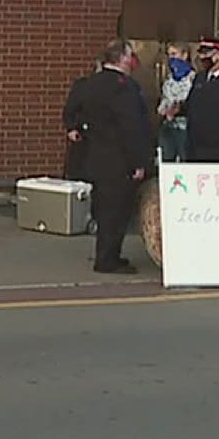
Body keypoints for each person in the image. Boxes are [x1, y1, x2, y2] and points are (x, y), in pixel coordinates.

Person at [67, 39, 155, 274]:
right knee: (116, 212)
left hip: (97, 155)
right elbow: (131, 127)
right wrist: (139, 161)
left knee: (105, 208)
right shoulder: (123, 87)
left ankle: (108, 254)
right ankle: (107, 259)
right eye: (130, 56)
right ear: (122, 59)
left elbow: (77, 113)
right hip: (119, 160)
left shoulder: (90, 84)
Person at [156, 43, 197, 162]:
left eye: (174, 54)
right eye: (169, 55)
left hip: (185, 128)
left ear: (184, 55)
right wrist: (162, 109)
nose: (171, 59)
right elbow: (165, 98)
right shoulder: (169, 79)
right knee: (166, 160)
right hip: (168, 126)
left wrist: (179, 108)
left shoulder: (194, 78)